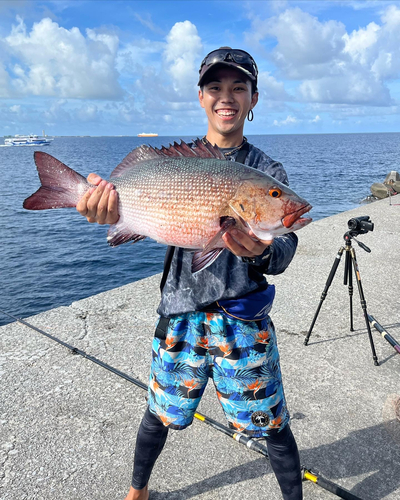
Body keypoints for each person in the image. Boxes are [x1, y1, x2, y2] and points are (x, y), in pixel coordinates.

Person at [77, 47, 303, 500]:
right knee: (158, 414)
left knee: (272, 425)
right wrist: (108, 211)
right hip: (180, 314)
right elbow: (144, 213)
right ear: (201, 97)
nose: (227, 96)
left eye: (239, 87)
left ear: (254, 98)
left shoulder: (265, 171)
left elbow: (284, 249)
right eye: (216, 87)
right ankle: (136, 492)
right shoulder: (175, 164)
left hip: (245, 320)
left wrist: (259, 252)